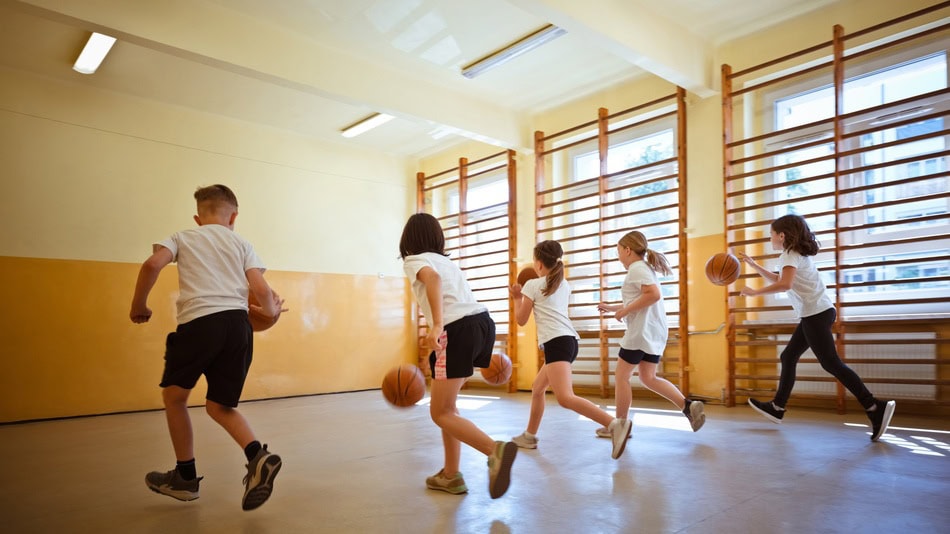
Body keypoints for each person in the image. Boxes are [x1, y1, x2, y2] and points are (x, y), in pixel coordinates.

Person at [129, 184, 285, 510]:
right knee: (219, 406)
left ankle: (185, 478)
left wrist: (139, 305)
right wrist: (270, 313)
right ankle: (257, 455)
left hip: (200, 323)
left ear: (198, 217)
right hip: (239, 328)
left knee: (175, 397)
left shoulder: (183, 236)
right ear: (234, 217)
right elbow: (260, 290)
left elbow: (151, 265)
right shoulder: (242, 243)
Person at [739, 214, 896, 441]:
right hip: (816, 313)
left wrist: (754, 292)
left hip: (816, 314)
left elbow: (784, 284)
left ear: (781, 235)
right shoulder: (794, 254)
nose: (770, 238)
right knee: (789, 356)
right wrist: (755, 266)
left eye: (771, 234)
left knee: (830, 363)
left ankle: (874, 407)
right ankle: (778, 407)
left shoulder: (789, 254)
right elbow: (781, 278)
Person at [399, 213, 517, 498]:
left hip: (457, 329)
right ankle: (451, 475)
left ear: (408, 240)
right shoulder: (447, 261)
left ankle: (494, 450)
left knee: (439, 411)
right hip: (481, 324)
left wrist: (437, 324)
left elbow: (433, 280)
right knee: (448, 408)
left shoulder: (414, 260)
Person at [510, 240, 633, 460]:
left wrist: (517, 298)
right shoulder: (562, 284)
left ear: (538, 264)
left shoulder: (532, 285)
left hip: (556, 343)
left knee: (565, 398)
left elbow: (521, 320)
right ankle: (529, 436)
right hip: (569, 342)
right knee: (537, 388)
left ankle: (614, 425)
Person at [596, 230, 705, 438]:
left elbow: (652, 295)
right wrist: (612, 308)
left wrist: (625, 311)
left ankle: (620, 426)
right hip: (653, 332)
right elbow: (640, 298)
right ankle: (687, 406)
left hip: (640, 332)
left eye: (618, 250)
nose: (617, 256)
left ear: (628, 250)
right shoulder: (644, 268)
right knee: (648, 377)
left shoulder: (636, 269)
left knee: (621, 376)